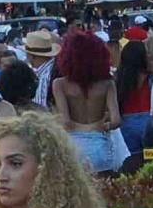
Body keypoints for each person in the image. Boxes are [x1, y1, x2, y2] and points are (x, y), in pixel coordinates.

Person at [50, 31, 121, 174]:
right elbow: (116, 121)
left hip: (74, 147)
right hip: (100, 145)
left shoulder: (60, 84)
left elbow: (65, 122)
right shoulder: (107, 83)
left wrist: (83, 127)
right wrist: (98, 125)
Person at [112, 39, 153, 158]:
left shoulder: (118, 78)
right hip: (148, 120)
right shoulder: (150, 78)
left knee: (131, 160)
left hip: (126, 122)